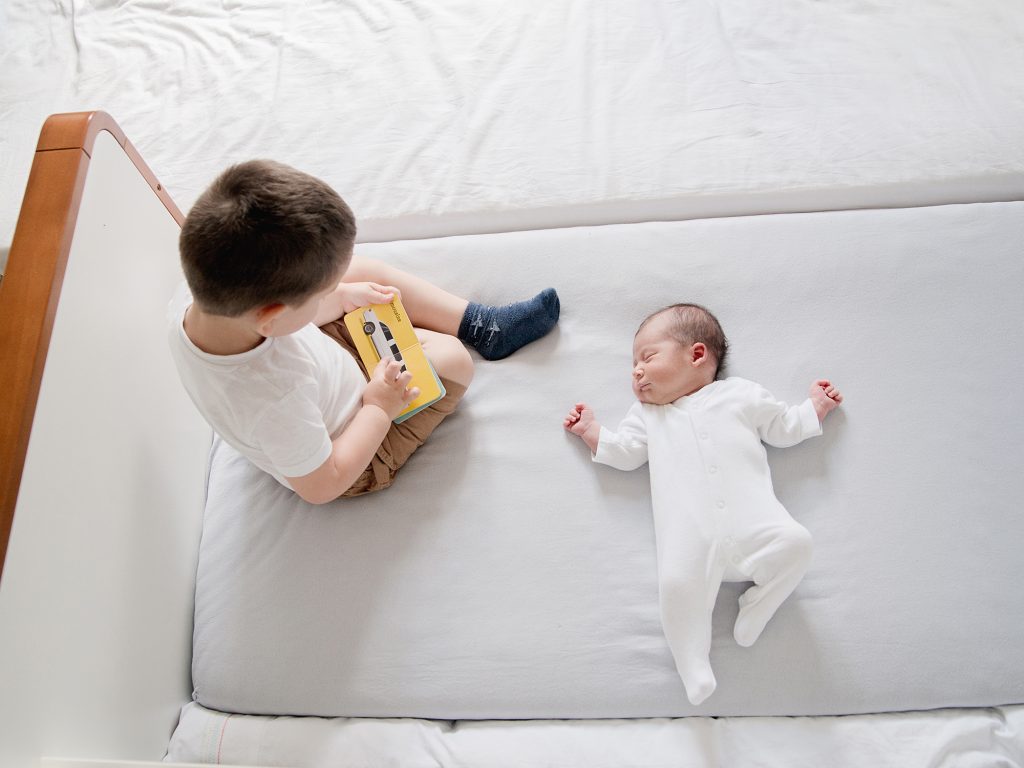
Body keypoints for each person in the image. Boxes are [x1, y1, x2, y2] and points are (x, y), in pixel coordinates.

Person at [170, 159, 560, 504]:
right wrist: (377, 407)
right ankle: (479, 337)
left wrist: (339, 295)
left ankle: (483, 325)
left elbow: (291, 328)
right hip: (352, 447)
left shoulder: (200, 299)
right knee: (453, 359)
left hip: (321, 366)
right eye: (319, 296)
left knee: (361, 276)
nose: (330, 294)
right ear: (270, 318)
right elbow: (323, 486)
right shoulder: (276, 400)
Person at [563, 303, 841, 706]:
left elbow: (782, 427)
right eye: (632, 364)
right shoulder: (648, 415)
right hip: (691, 539)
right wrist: (592, 432)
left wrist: (814, 409)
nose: (636, 371)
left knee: (798, 543)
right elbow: (626, 453)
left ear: (696, 355)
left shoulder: (740, 394)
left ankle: (758, 606)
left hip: (755, 527)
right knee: (676, 587)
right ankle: (692, 663)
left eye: (647, 357)